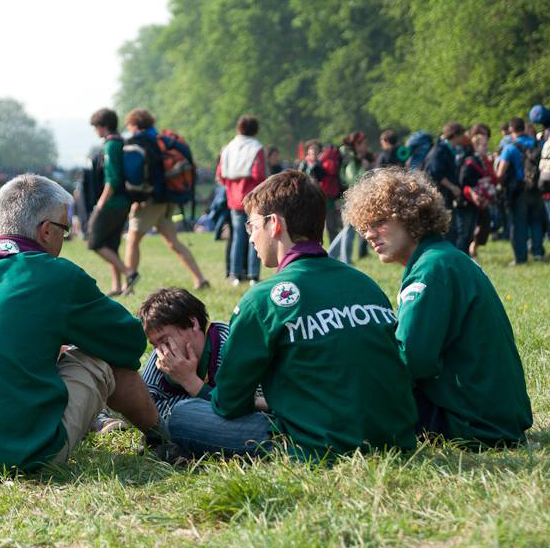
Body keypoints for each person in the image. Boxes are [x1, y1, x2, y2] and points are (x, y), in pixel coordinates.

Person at [0, 174, 169, 472]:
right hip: (20, 454)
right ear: (46, 230)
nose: (65, 238)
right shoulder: (58, 274)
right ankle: (164, 440)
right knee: (102, 357)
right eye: (65, 230)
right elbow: (128, 342)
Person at [165, 170, 417, 461]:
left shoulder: (262, 299)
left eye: (252, 225)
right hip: (395, 438)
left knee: (183, 415)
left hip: (319, 446)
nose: (250, 237)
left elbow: (229, 403)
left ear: (274, 224)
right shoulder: (365, 284)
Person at [345, 167, 532, 447]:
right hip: (495, 414)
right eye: (364, 227)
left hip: (473, 423)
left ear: (410, 215)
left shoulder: (431, 269)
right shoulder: (446, 258)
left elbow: (411, 361)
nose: (369, 235)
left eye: (379, 221)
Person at [137, 287, 267, 425]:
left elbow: (256, 406)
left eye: (164, 341)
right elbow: (144, 409)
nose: (161, 351)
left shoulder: (230, 346)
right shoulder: (163, 355)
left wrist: (190, 381)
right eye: (154, 345)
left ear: (193, 323)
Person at [122, 108, 209, 292]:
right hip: (168, 199)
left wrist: (137, 198)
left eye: (129, 126)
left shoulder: (140, 142)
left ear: (135, 125)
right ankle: (200, 279)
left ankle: (127, 285)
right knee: (173, 242)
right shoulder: (161, 140)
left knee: (132, 239)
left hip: (150, 201)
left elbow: (138, 175)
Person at [88, 107, 137, 295]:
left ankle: (129, 273)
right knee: (110, 244)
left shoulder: (111, 145)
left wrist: (101, 203)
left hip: (113, 202)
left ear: (103, 126)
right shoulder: (121, 142)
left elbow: (113, 179)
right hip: (124, 201)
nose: (95, 131)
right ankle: (117, 286)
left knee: (95, 242)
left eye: (96, 127)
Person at [217, 115, 267, 286]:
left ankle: (234, 273)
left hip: (233, 197)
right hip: (252, 197)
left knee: (238, 236)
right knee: (256, 234)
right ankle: (253, 274)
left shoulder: (228, 148)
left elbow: (221, 175)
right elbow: (259, 174)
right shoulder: (257, 148)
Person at [496, 117, 544, 264]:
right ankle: (538, 253)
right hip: (537, 189)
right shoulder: (538, 144)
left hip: (519, 191)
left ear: (511, 130)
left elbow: (500, 173)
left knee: (519, 225)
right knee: (536, 222)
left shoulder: (510, 148)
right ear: (524, 127)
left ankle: (521, 258)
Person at [328, 131, 373, 263]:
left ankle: (331, 256)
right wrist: (364, 168)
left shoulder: (349, 155)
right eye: (364, 144)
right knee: (349, 229)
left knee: (348, 229)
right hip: (348, 197)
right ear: (357, 144)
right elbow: (352, 179)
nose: (366, 147)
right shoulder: (350, 157)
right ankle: (346, 261)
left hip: (346, 196)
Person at [422, 121, 466, 245]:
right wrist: (453, 187)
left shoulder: (448, 149)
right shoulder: (439, 151)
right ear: (455, 135)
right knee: (447, 228)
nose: (462, 138)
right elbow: (435, 173)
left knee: (451, 228)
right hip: (439, 195)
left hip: (446, 194)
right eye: (461, 135)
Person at [462, 126, 498, 258]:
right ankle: (468, 252)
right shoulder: (470, 160)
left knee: (484, 226)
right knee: (468, 229)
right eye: (483, 145)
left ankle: (474, 246)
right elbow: (464, 180)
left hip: (484, 198)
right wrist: (474, 192)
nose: (486, 147)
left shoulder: (484, 160)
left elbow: (493, 177)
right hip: (471, 199)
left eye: (486, 144)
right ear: (475, 146)